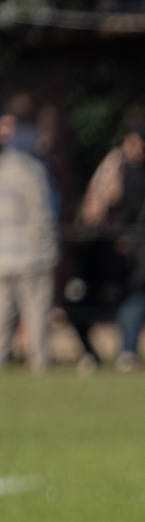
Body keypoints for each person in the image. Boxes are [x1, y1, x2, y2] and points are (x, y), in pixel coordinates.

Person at [77, 123, 145, 370]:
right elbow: (93, 203)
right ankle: (90, 354)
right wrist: (106, 199)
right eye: (131, 143)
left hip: (143, 251)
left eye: (141, 144)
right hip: (108, 249)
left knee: (135, 303)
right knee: (80, 301)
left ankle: (127, 353)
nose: (136, 150)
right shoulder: (114, 164)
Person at [0, 104, 57, 373]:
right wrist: (48, 250)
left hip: (3, 257)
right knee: (36, 319)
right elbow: (41, 217)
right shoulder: (31, 170)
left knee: (1, 320)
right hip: (31, 257)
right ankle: (38, 366)